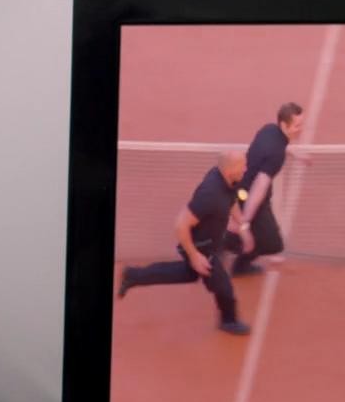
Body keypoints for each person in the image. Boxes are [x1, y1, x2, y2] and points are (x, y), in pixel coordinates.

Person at [117, 150, 253, 335]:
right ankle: (229, 321)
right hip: (201, 247)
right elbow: (181, 224)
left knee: (188, 274)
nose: (246, 169)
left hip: (210, 242)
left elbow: (232, 199)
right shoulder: (210, 195)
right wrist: (195, 256)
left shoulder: (229, 180)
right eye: (242, 166)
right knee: (224, 287)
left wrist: (243, 226)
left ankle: (133, 275)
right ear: (229, 169)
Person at [226, 102, 307, 276]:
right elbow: (259, 187)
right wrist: (244, 223)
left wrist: (294, 154)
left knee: (267, 239)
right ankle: (221, 242)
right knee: (272, 243)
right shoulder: (276, 154)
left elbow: (274, 148)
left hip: (240, 187)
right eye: (297, 125)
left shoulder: (269, 130)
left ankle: (236, 257)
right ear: (284, 125)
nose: (300, 129)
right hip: (247, 195)